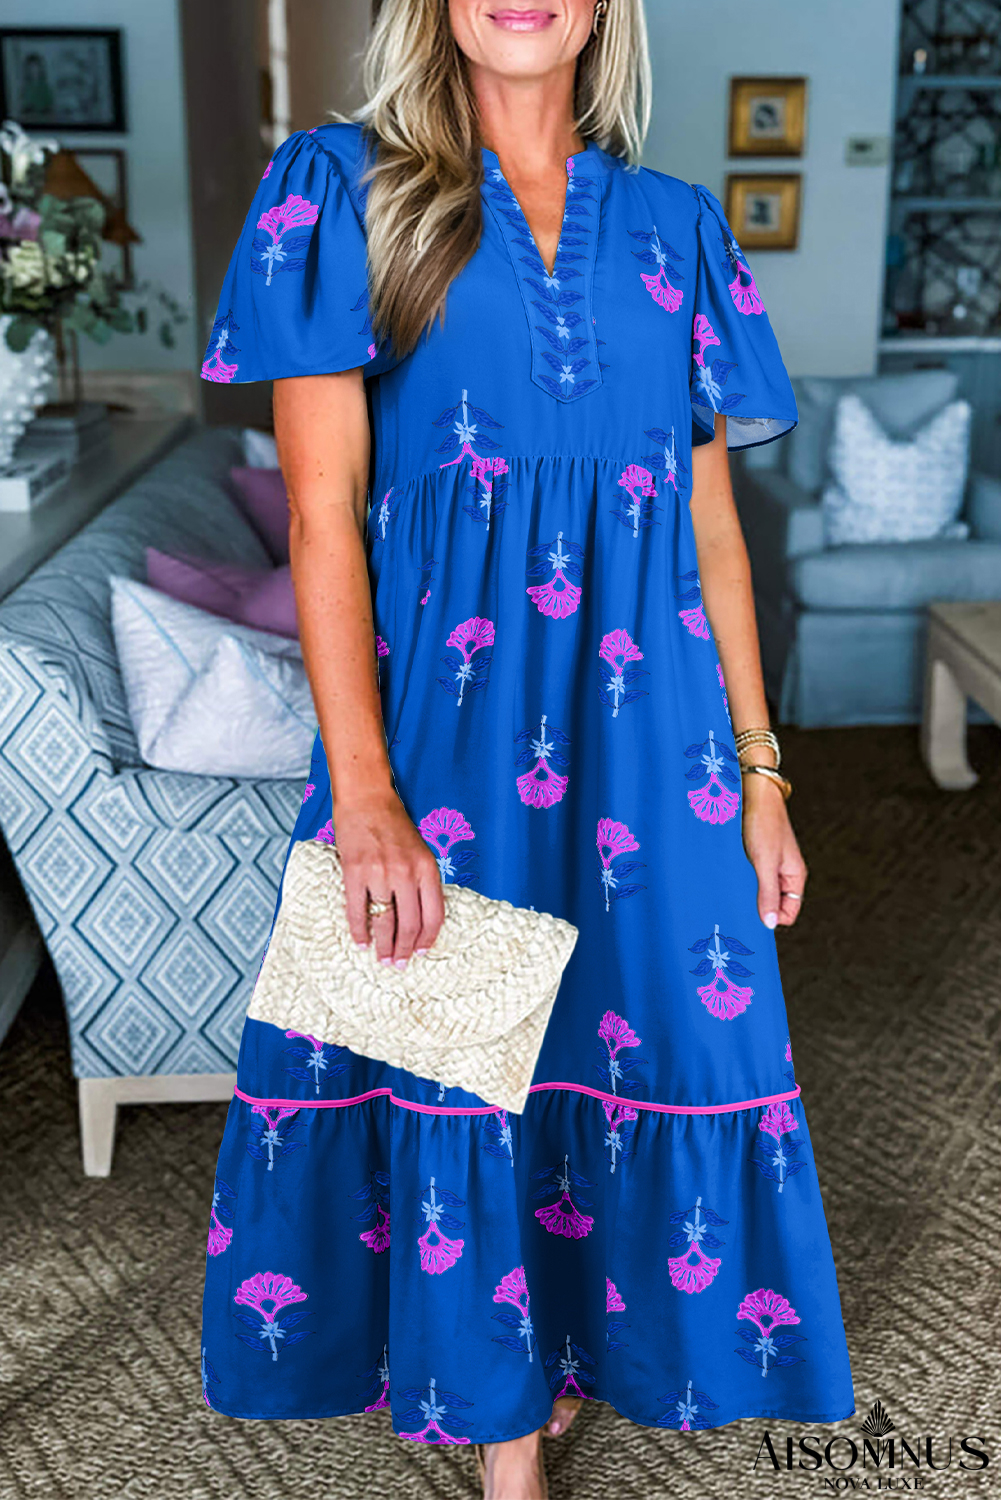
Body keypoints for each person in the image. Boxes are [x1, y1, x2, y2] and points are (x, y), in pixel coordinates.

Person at [199, 1, 855, 1494]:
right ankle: (509, 1455)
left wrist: (762, 775)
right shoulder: (343, 190)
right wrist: (364, 793)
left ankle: (572, 1353)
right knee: (463, 1047)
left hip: (658, 742)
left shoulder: (678, 227)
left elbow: (711, 534)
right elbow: (322, 518)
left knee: (647, 1036)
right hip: (449, 732)